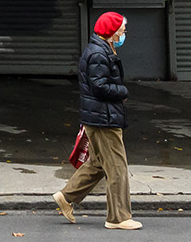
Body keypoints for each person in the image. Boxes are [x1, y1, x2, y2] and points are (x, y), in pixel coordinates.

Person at [55, 11, 140, 230]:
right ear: (111, 32)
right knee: (117, 167)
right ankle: (118, 218)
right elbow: (99, 86)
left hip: (99, 116)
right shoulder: (99, 54)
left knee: (98, 163)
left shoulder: (101, 49)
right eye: (121, 29)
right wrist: (122, 91)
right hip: (104, 119)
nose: (124, 33)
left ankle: (66, 196)